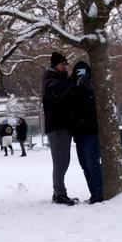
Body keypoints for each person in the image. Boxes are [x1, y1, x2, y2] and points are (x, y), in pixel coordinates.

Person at [42, 51, 77, 205]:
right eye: (62, 64)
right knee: (60, 161)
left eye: (65, 64)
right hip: (56, 127)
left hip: (62, 126)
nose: (65, 67)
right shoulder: (50, 80)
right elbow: (56, 89)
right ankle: (59, 193)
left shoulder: (59, 80)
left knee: (64, 160)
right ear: (55, 65)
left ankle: (59, 192)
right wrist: (72, 82)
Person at [69, 61, 104, 203]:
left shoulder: (93, 86)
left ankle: (100, 193)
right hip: (79, 133)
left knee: (92, 163)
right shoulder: (72, 87)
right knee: (85, 165)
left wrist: (88, 86)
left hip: (91, 131)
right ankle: (94, 194)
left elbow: (98, 101)